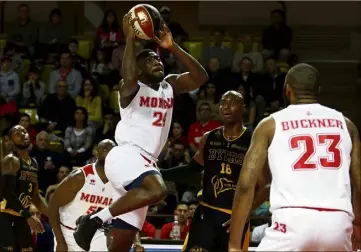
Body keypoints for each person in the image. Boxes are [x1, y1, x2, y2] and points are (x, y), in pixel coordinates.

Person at [73, 13, 208, 252]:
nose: (157, 62)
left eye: (158, 59)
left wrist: (172, 46)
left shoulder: (169, 85)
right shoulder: (130, 88)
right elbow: (128, 75)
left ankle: (98, 220)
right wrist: (130, 39)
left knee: (122, 243)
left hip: (146, 163)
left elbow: (201, 77)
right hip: (126, 156)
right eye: (149, 60)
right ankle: (93, 220)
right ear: (138, 68)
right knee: (158, 190)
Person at [228, 63, 361, 252]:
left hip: (291, 222)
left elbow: (245, 186)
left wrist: (234, 245)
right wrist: (358, 224)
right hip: (338, 223)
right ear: (318, 90)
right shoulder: (346, 125)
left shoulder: (270, 124)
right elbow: (359, 183)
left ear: (287, 90)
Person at [161, 91, 269, 252]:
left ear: (243, 108)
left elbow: (265, 186)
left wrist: (243, 214)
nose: (226, 107)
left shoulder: (253, 142)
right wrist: (160, 173)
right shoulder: (209, 137)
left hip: (233, 217)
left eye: (232, 102)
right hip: (205, 213)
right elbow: (192, 169)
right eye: (223, 103)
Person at [48, 139, 116, 251]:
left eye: (112, 149)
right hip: (69, 233)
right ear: (96, 152)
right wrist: (60, 241)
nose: (108, 151)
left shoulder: (118, 181)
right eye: (104, 148)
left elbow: (125, 213)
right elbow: (52, 206)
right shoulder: (80, 177)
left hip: (97, 233)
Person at [0, 125, 48, 252]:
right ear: (10, 141)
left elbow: (36, 197)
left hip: (23, 218)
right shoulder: (11, 159)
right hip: (5, 216)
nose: (22, 134)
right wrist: (28, 216)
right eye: (17, 133)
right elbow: (6, 192)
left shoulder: (33, 163)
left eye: (24, 132)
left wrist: (54, 217)